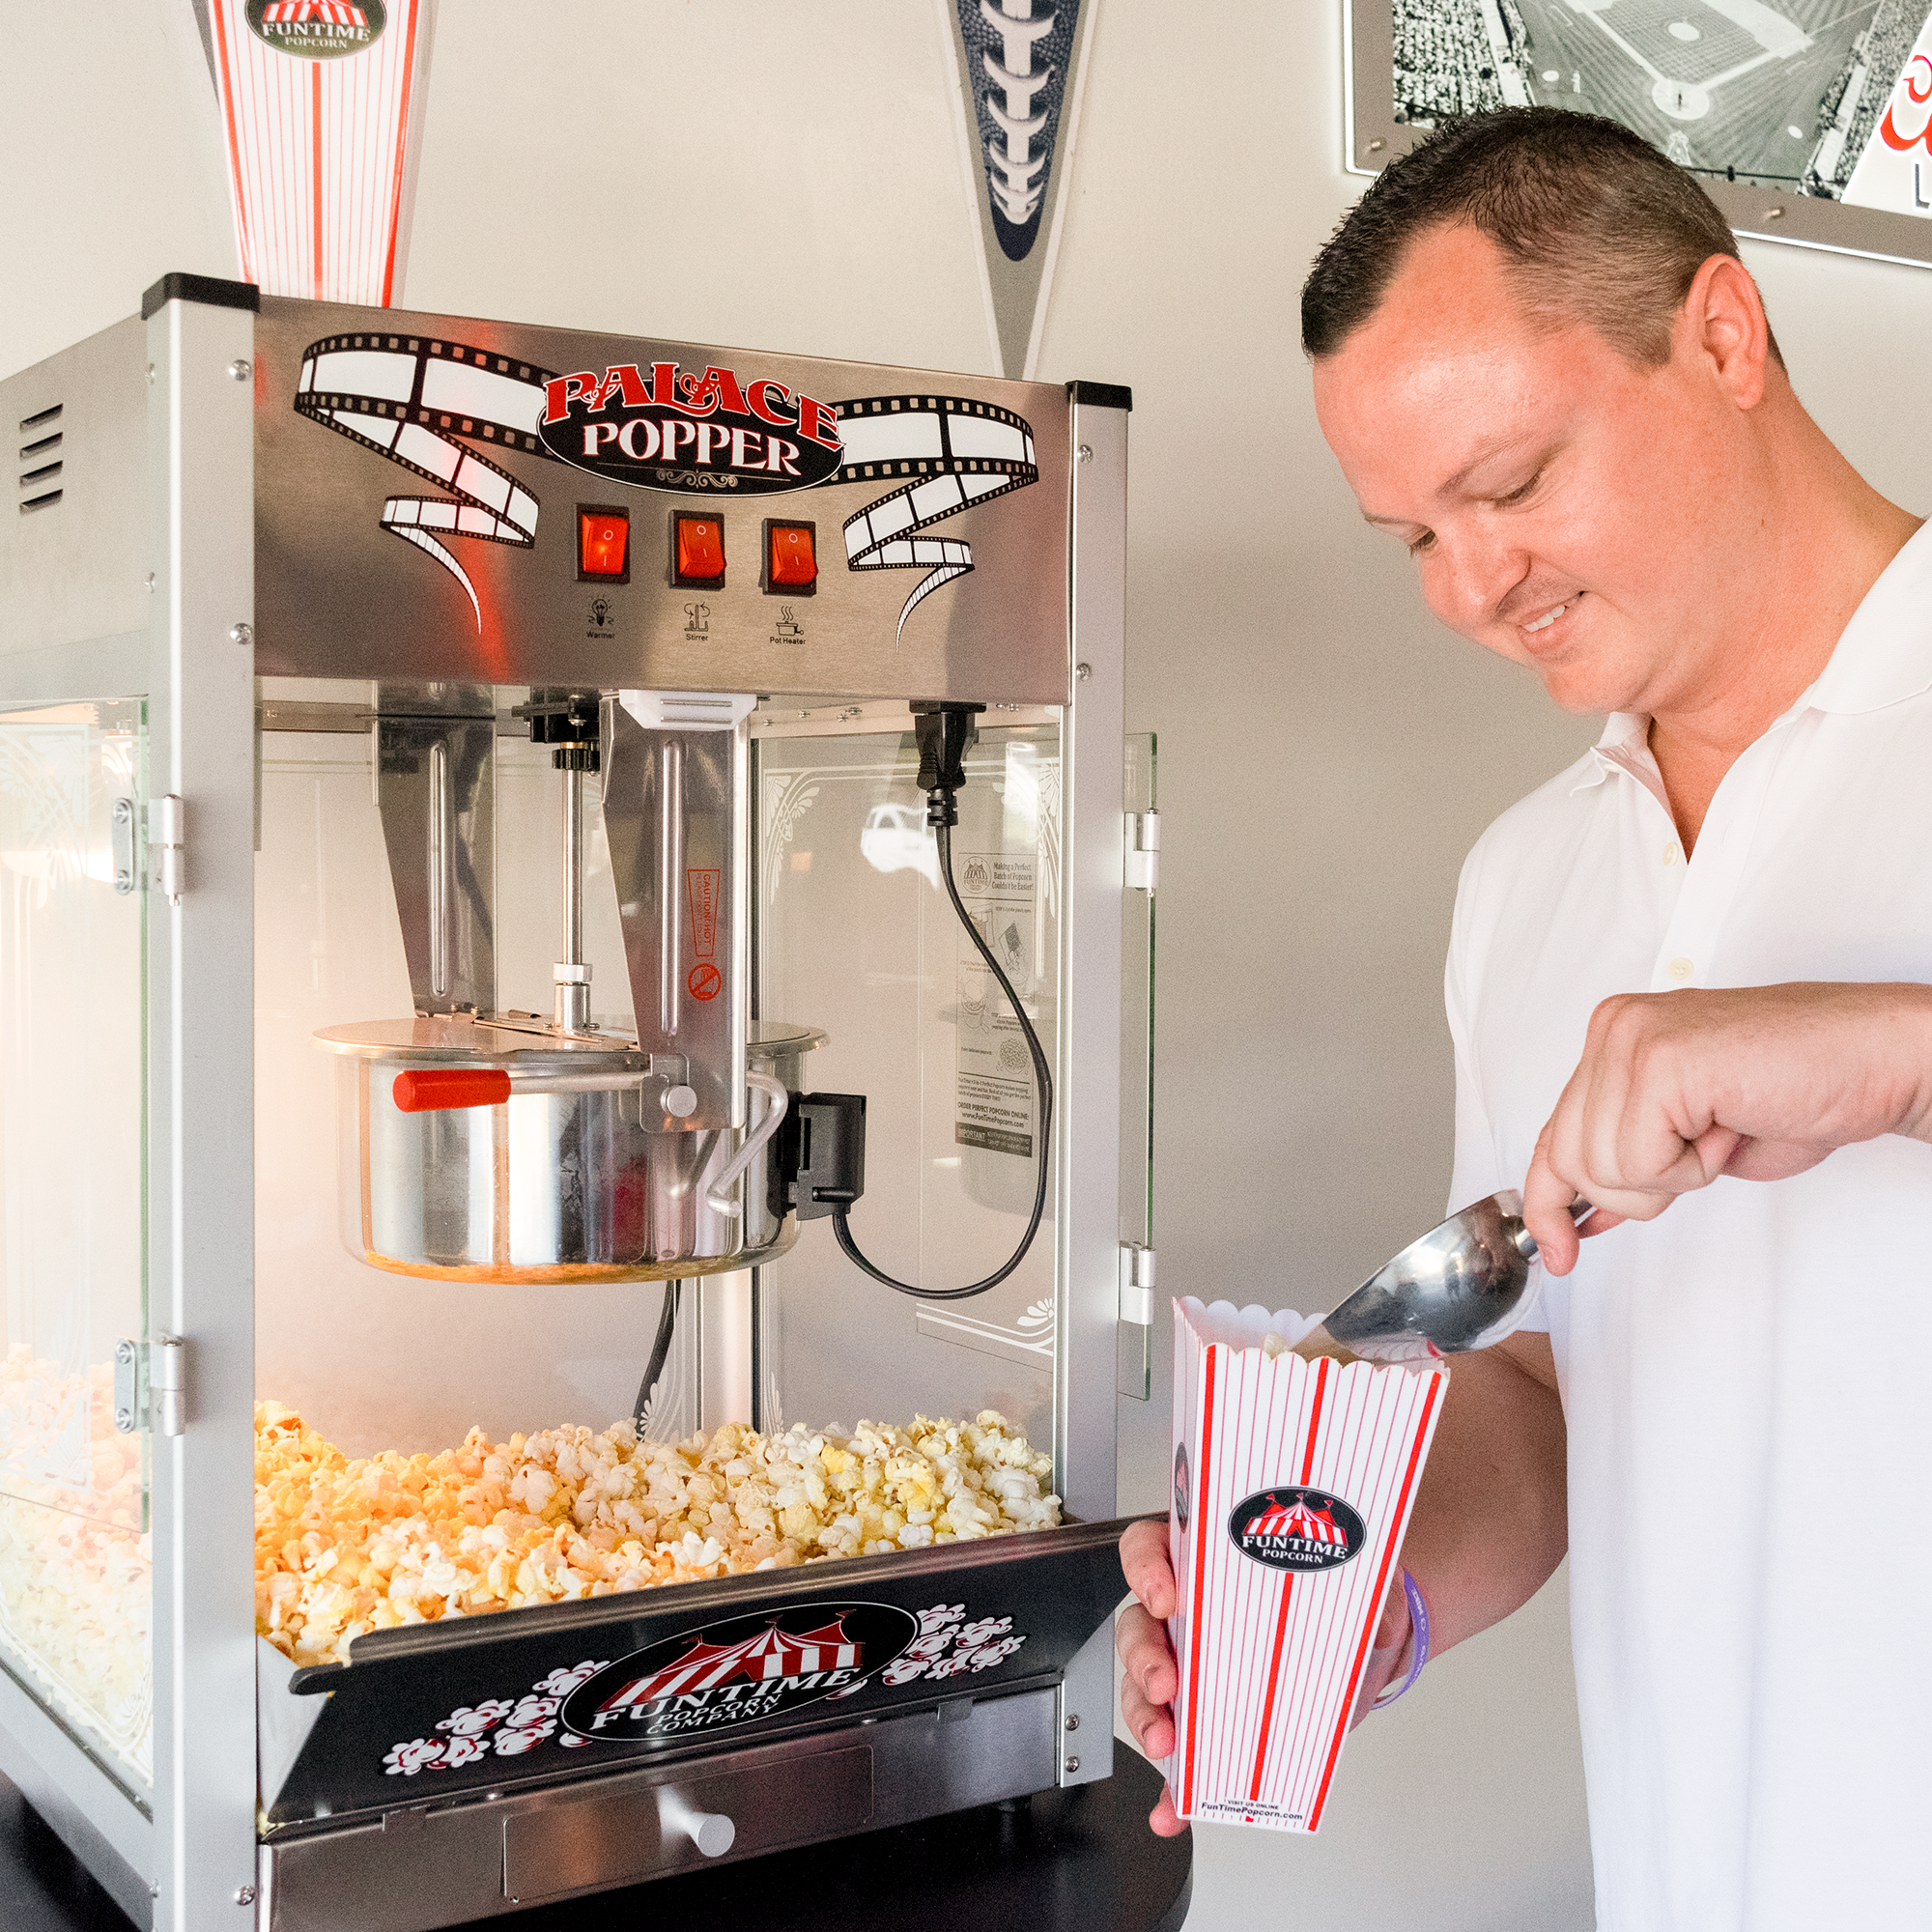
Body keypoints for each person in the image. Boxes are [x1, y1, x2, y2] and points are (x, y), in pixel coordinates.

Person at [1117, 108, 1932, 1929]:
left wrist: (1894, 1051)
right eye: (1416, 532)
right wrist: (1365, 1570)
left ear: (1723, 338)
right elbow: (1562, 1381)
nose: (1473, 590)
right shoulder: (1529, 880)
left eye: (1513, 485)